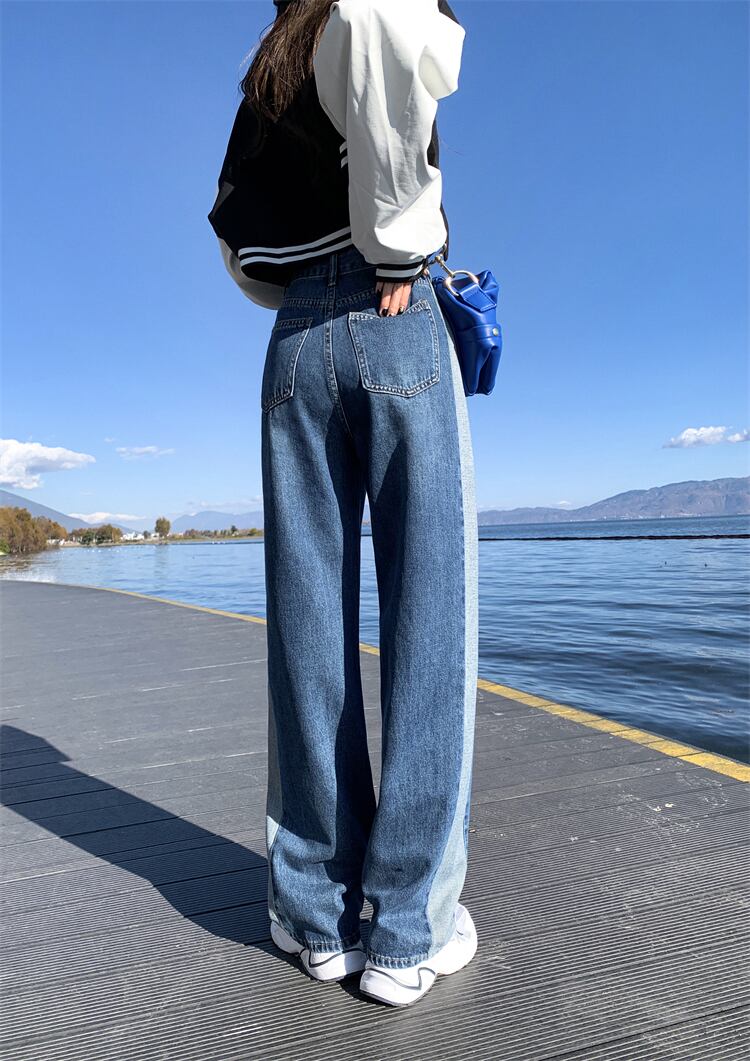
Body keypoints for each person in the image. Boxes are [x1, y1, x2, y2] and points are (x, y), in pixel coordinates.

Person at [208, 0, 479, 1008]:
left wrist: (304, 289)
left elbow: (235, 233)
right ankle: (408, 928)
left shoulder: (272, 58)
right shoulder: (354, 13)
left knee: (308, 627)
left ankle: (317, 917)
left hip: (294, 338)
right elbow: (384, 23)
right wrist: (399, 245)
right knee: (430, 619)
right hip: (392, 310)